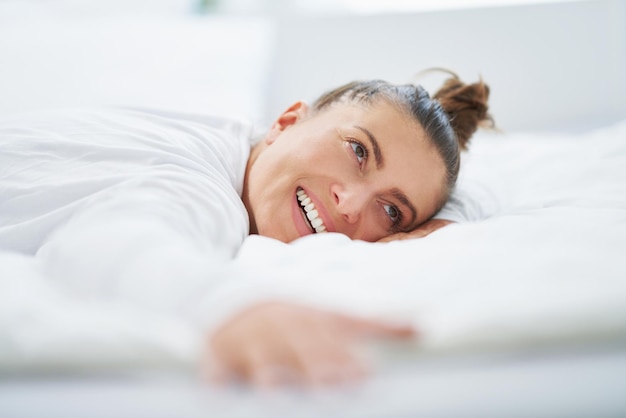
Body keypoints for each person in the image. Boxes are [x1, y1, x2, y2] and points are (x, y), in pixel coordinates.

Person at [0, 71, 491, 387]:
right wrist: (230, 305)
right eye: (359, 151)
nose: (351, 205)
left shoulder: (233, 139)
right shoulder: (198, 185)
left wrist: (450, 219)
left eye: (391, 212)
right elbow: (104, 245)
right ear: (286, 120)